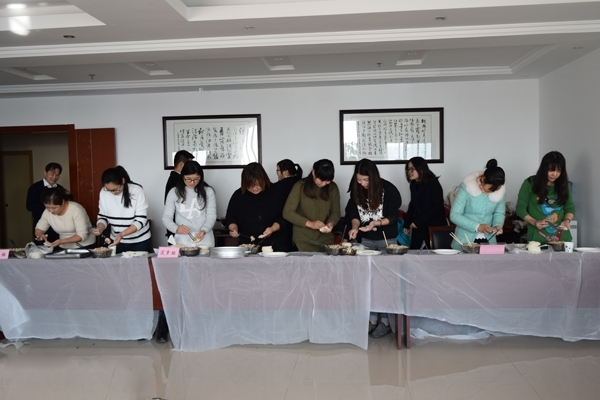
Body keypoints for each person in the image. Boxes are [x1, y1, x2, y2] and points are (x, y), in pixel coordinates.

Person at [344, 159, 401, 339]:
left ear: (373, 177)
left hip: (386, 240)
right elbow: (353, 214)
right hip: (366, 241)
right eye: (359, 180)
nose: (362, 183)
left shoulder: (389, 189)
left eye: (366, 180)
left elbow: (393, 216)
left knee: (386, 281)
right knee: (366, 281)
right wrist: (355, 227)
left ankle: (386, 321)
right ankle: (371, 319)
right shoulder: (357, 190)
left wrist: (376, 223)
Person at [516, 151, 575, 244]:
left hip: (562, 239)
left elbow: (570, 208)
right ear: (544, 168)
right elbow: (520, 208)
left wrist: (566, 220)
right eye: (551, 170)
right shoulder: (530, 183)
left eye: (559, 171)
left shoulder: (565, 185)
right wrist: (534, 222)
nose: (555, 174)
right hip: (536, 240)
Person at [283, 159, 341, 252]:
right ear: (314, 172)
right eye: (321, 180)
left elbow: (336, 211)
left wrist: (331, 223)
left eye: (327, 181)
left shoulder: (333, 188)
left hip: (325, 240)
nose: (324, 184)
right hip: (303, 240)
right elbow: (287, 212)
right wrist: (310, 223)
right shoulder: (300, 186)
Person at [225, 163, 286, 251]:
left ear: (264, 179)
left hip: (275, 244)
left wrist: (272, 228)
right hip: (247, 244)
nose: (254, 188)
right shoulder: (238, 195)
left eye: (257, 184)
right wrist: (233, 229)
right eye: (250, 185)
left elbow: (285, 217)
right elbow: (230, 217)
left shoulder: (276, 192)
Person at [92, 166, 152, 254]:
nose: (113, 192)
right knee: (117, 262)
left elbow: (140, 220)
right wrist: (100, 227)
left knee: (140, 263)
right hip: (116, 240)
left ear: (123, 181)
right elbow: (103, 217)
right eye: (109, 190)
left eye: (116, 189)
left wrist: (122, 234)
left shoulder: (137, 191)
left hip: (139, 241)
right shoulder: (104, 192)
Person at [450, 159, 506, 250]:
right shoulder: (467, 187)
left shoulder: (500, 191)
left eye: (496, 189)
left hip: (489, 240)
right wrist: (477, 227)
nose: (492, 192)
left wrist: (497, 225)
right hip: (464, 240)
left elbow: (499, 213)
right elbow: (454, 215)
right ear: (483, 179)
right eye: (490, 189)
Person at [162, 160, 217, 247]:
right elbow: (166, 218)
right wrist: (176, 229)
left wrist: (204, 230)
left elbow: (211, 216)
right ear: (182, 176)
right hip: (182, 240)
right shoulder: (174, 192)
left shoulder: (208, 191)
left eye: (196, 179)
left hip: (205, 239)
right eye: (188, 179)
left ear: (201, 177)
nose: (192, 182)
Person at [403, 157, 448, 249]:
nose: (409, 172)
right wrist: (407, 224)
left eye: (412, 169)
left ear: (421, 169)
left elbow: (437, 207)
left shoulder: (433, 183)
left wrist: (418, 221)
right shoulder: (413, 185)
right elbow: (413, 206)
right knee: (416, 253)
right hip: (419, 226)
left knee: (432, 255)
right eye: (408, 169)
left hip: (433, 226)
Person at [26, 162, 64, 243]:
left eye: (57, 175)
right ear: (45, 173)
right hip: (41, 225)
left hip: (58, 225)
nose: (54, 177)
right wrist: (49, 208)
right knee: (41, 246)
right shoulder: (35, 188)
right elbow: (29, 206)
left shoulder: (60, 189)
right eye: (52, 174)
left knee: (58, 246)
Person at [273, 159, 303, 251]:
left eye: (278, 170)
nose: (277, 173)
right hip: (301, 222)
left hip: (283, 222)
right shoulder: (301, 183)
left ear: (285, 172)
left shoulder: (278, 186)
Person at [164, 150, 195, 237]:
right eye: (189, 165)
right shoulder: (177, 181)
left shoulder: (175, 178)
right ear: (181, 164)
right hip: (178, 227)